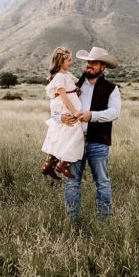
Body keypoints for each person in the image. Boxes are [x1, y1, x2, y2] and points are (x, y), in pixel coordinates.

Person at [62, 46, 122, 222]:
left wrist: (93, 116)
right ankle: (73, 222)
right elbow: (59, 106)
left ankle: (104, 221)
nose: (89, 66)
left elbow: (114, 112)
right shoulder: (75, 85)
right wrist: (61, 117)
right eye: (88, 62)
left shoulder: (112, 88)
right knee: (72, 182)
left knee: (102, 182)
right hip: (74, 140)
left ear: (102, 67)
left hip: (98, 142)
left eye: (94, 63)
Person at [41, 47, 84, 182]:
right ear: (61, 62)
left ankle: (48, 165)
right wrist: (75, 111)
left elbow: (77, 82)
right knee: (76, 134)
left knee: (61, 135)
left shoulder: (66, 74)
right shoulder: (60, 76)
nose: (71, 63)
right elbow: (64, 97)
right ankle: (62, 164)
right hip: (66, 109)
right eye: (69, 60)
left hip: (64, 108)